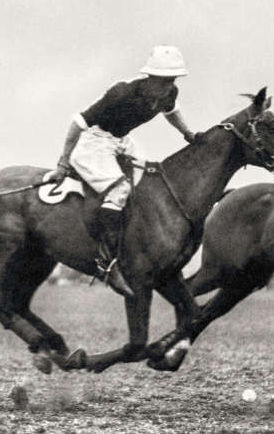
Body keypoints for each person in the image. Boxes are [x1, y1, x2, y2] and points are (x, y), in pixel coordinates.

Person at [43, 46, 199, 297]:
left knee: (150, 182)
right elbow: (77, 124)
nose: (169, 85)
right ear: (150, 76)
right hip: (95, 140)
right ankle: (106, 264)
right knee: (120, 189)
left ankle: (137, 244)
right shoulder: (122, 93)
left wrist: (187, 133)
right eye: (164, 79)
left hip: (122, 140)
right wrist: (62, 165)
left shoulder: (170, 92)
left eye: (172, 79)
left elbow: (171, 111)